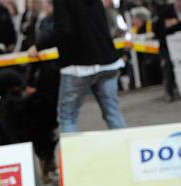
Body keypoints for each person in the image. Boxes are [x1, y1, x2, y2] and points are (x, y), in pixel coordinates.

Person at [28, 0, 126, 133]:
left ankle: (72, 154)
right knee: (113, 113)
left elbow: (63, 31)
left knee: (67, 117)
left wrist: (38, 46)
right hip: (107, 61)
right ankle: (125, 151)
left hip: (78, 65)